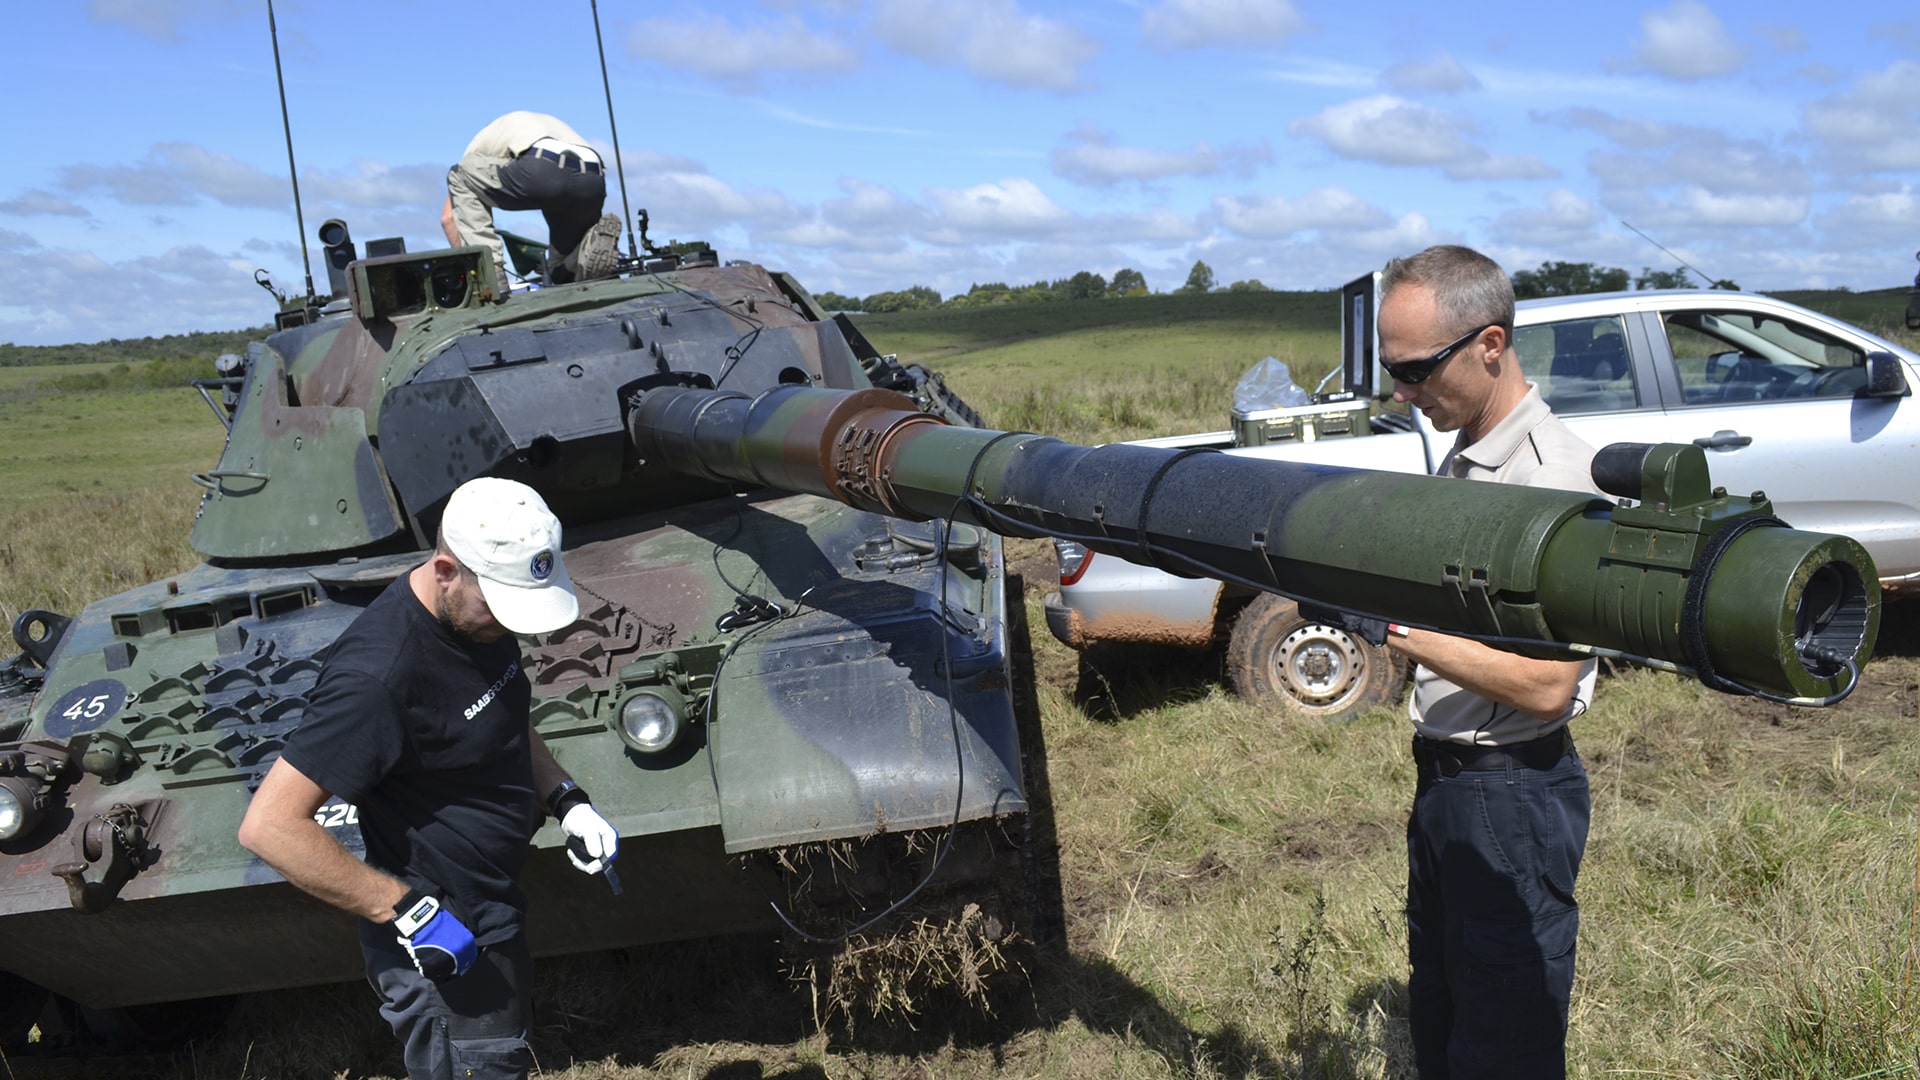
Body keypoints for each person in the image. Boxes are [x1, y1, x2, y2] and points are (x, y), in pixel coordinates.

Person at [238, 476, 620, 1080]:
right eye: (497, 605)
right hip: (441, 939)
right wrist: (408, 914)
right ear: (446, 570)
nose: (510, 625)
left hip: (489, 907)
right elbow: (269, 827)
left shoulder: (473, 619)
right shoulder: (377, 679)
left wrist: (565, 798)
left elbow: (503, 715)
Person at [1326, 245, 1599, 1077]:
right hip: (1451, 781)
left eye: (1415, 372)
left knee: (1504, 1040)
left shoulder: (1551, 483)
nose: (1402, 394)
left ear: (1489, 345)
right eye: (1392, 372)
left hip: (1509, 791)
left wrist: (1391, 629)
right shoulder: (1470, 457)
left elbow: (1549, 684)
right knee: (1444, 1014)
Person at [441, 110, 624, 288]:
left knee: (459, 175)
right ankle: (587, 249)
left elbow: (448, 219)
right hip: (592, 180)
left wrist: (465, 267)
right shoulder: (539, 123)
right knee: (558, 268)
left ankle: (490, 270)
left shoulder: (480, 144)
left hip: (542, 171)